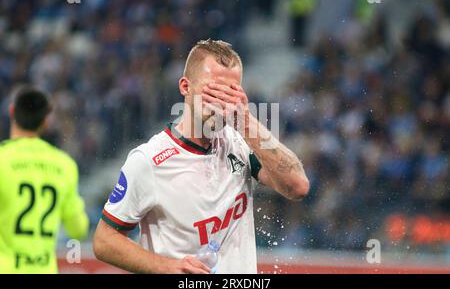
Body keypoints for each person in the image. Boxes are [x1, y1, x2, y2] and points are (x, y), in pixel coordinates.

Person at [93, 39, 310, 274]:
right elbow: (104, 241)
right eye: (213, 90)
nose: (221, 101)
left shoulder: (239, 142)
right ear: (185, 87)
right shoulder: (149, 160)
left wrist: (246, 121)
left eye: (230, 92)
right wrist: (165, 266)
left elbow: (297, 186)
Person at [0, 87, 89, 273]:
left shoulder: (3, 159)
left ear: (12, 112)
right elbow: (78, 229)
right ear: (46, 121)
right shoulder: (64, 165)